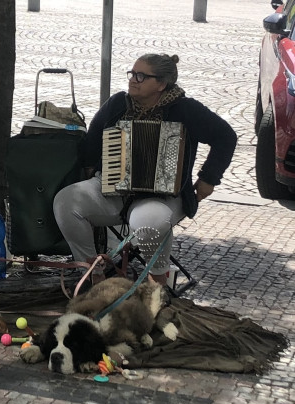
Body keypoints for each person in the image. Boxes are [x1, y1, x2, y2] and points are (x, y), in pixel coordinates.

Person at [53, 53, 237, 287]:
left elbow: (226, 136)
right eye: (132, 74)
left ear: (161, 84)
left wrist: (208, 178)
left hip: (162, 197)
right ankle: (93, 275)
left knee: (150, 222)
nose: (133, 80)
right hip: (114, 190)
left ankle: (156, 284)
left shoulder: (185, 110)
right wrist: (93, 171)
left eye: (141, 76)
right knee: (66, 202)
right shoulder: (118, 104)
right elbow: (93, 140)